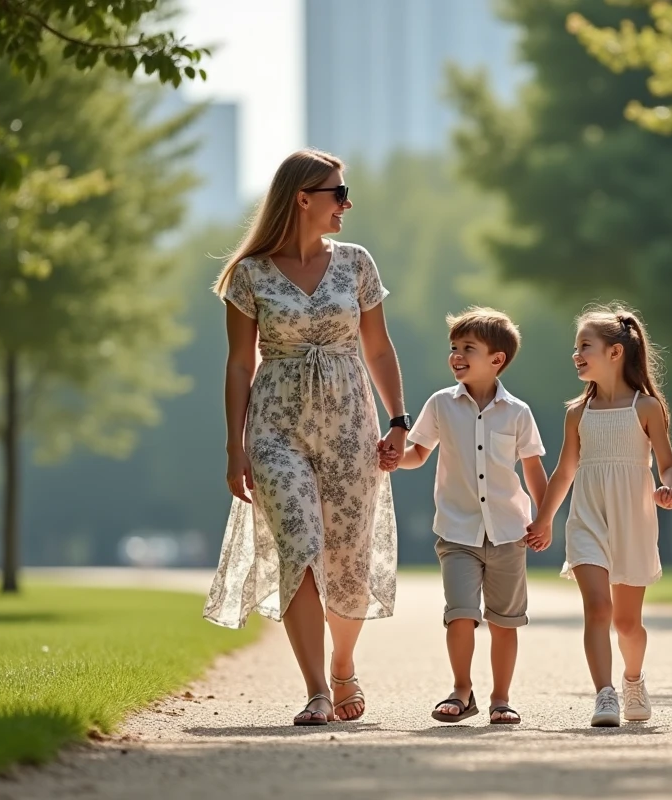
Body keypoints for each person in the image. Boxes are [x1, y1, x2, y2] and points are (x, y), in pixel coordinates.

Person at [203, 148, 409, 727]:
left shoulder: (357, 263)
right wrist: (234, 445)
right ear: (303, 198)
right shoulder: (249, 275)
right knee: (300, 545)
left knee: (347, 556)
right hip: (275, 427)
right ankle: (317, 688)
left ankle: (343, 666)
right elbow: (239, 364)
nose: (347, 203)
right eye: (337, 193)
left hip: (350, 424)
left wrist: (398, 421)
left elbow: (378, 348)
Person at [526, 305, 672, 727]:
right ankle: (605, 694)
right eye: (575, 347)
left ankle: (633, 679)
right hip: (587, 519)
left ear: (615, 352)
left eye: (584, 346)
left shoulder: (647, 407)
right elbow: (564, 471)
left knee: (628, 623)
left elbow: (666, 464)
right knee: (597, 608)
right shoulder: (577, 412)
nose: (576, 354)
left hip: (633, 519)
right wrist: (544, 520)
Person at [397, 307, 549, 725]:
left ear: (496, 359)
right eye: (454, 348)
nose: (456, 355)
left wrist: (544, 518)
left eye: (468, 348)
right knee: (460, 614)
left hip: (508, 533)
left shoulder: (518, 412)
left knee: (505, 621)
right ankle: (462, 690)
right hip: (457, 530)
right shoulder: (441, 404)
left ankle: (501, 698)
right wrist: (394, 459)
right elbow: (418, 453)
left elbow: (533, 470)